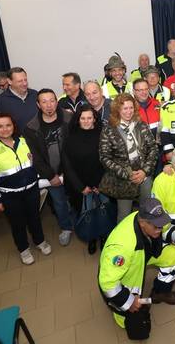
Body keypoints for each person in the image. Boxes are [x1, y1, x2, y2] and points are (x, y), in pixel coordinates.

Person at [98, 198, 175, 338]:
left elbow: (166, 228)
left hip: (144, 253)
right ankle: (120, 313)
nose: (160, 230)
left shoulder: (152, 220)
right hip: (126, 266)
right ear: (142, 222)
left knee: (173, 255)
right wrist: (128, 301)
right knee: (127, 319)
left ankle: (160, 292)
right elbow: (107, 282)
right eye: (156, 227)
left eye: (161, 224)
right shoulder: (122, 246)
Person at [0, 113, 52, 265]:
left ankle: (40, 241)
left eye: (8, 125)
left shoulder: (24, 142)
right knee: (17, 224)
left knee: (35, 219)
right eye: (0, 126)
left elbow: (33, 164)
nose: (5, 129)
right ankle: (23, 249)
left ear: (13, 126)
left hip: (31, 191)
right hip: (10, 197)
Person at [23, 89, 74, 246]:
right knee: (59, 202)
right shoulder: (31, 127)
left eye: (52, 100)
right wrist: (51, 176)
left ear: (56, 102)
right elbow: (35, 157)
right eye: (44, 102)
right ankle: (66, 228)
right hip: (51, 174)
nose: (49, 105)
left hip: (72, 171)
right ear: (38, 105)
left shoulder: (70, 118)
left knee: (77, 198)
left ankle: (80, 223)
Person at [99, 93, 158, 222]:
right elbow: (105, 157)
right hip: (123, 178)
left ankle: (144, 239)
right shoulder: (109, 130)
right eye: (124, 108)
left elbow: (153, 148)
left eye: (131, 108)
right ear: (117, 110)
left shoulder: (141, 125)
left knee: (146, 211)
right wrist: (127, 174)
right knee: (124, 215)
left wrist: (144, 171)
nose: (128, 111)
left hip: (144, 174)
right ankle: (124, 240)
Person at [62, 105, 106, 254]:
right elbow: (67, 166)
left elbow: (109, 161)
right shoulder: (70, 138)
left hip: (102, 184)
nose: (86, 121)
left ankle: (104, 237)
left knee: (103, 213)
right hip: (80, 187)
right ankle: (91, 238)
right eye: (83, 118)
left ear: (95, 119)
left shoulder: (104, 135)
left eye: (89, 118)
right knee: (87, 214)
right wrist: (81, 187)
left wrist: (101, 184)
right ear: (78, 120)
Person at [0, 67, 38, 133]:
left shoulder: (35, 94)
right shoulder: (1, 101)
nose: (24, 83)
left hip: (39, 139)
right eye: (20, 81)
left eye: (25, 80)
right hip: (18, 141)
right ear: (10, 81)